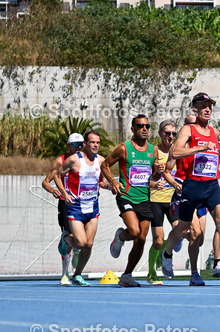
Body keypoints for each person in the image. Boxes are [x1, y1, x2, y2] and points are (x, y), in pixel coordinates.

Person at [160, 93, 220, 286]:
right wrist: (199, 148)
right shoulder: (187, 130)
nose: (207, 109)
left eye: (210, 106)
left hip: (211, 185)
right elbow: (175, 153)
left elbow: (211, 156)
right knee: (186, 230)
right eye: (203, 106)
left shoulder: (213, 131)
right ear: (194, 109)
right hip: (191, 186)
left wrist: (218, 166)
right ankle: (168, 254)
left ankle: (217, 263)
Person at [53, 129, 117, 286]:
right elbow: (56, 175)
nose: (95, 145)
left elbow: (101, 181)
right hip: (76, 207)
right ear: (85, 144)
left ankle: (78, 274)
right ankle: (66, 239)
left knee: (89, 244)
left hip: (92, 207)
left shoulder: (101, 161)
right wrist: (64, 194)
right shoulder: (74, 160)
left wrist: (110, 187)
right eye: (92, 142)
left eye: (97, 142)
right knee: (80, 243)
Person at [106, 114, 158, 288]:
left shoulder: (153, 150)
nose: (144, 129)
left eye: (147, 126)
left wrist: (158, 171)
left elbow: (153, 176)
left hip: (144, 198)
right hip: (126, 196)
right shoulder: (124, 149)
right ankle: (120, 236)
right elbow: (105, 165)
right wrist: (113, 182)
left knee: (142, 239)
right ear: (133, 129)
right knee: (134, 232)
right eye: (140, 125)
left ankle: (127, 275)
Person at [41, 132, 85, 284]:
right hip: (65, 203)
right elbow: (46, 181)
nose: (78, 147)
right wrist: (53, 190)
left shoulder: (86, 160)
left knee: (82, 238)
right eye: (75, 145)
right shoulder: (60, 161)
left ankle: (77, 251)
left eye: (81, 144)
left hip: (83, 203)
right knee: (71, 236)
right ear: (68, 145)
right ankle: (65, 274)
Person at [146, 119, 180, 285]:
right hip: (156, 200)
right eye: (167, 133)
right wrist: (155, 179)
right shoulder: (154, 152)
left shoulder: (178, 151)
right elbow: (145, 180)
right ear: (160, 134)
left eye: (174, 133)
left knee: (179, 232)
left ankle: (164, 253)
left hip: (173, 200)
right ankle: (152, 273)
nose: (171, 136)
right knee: (158, 240)